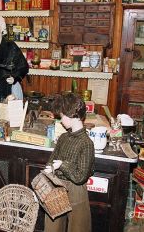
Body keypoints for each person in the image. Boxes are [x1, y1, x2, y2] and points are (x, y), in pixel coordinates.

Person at [42, 93, 95, 232]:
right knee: (52, 226)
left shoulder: (86, 143)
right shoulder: (64, 138)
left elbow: (80, 177)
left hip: (76, 190)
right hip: (57, 185)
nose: (60, 120)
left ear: (72, 115)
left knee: (78, 227)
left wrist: (61, 165)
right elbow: (51, 161)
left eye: (62, 116)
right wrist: (48, 174)